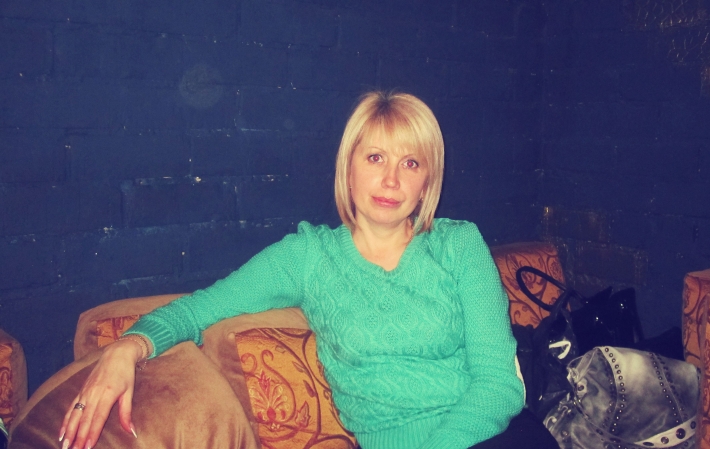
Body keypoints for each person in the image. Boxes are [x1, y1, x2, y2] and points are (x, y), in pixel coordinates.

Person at [59, 91, 556, 449]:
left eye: (411, 163)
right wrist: (128, 347)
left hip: (495, 436)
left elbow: (498, 385)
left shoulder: (459, 245)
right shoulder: (309, 257)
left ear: (428, 180)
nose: (391, 179)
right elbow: (199, 309)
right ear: (348, 168)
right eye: (376, 157)